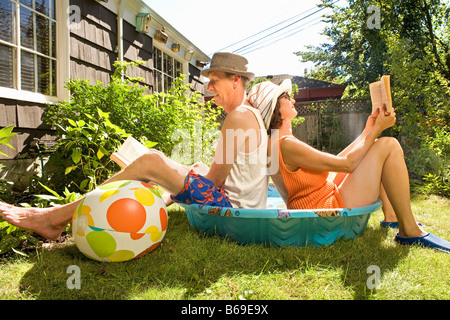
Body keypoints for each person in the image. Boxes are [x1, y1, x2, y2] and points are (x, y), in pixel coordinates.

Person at [0, 52, 269, 240]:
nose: (209, 87)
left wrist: (174, 177)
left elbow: (216, 181)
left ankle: (53, 219)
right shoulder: (248, 114)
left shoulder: (238, 116)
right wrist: (186, 174)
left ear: (235, 80)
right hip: (241, 208)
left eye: (215, 80)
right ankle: (155, 199)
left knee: (151, 162)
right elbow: (224, 175)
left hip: (235, 216)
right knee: (160, 160)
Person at [247, 79, 450, 253]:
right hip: (324, 210)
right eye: (285, 97)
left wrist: (368, 130)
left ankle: (392, 217)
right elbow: (348, 164)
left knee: (373, 150)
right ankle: (409, 231)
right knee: (389, 145)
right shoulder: (286, 145)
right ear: (274, 109)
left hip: (319, 201)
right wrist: (378, 129)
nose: (292, 99)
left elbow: (337, 161)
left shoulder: (278, 142)